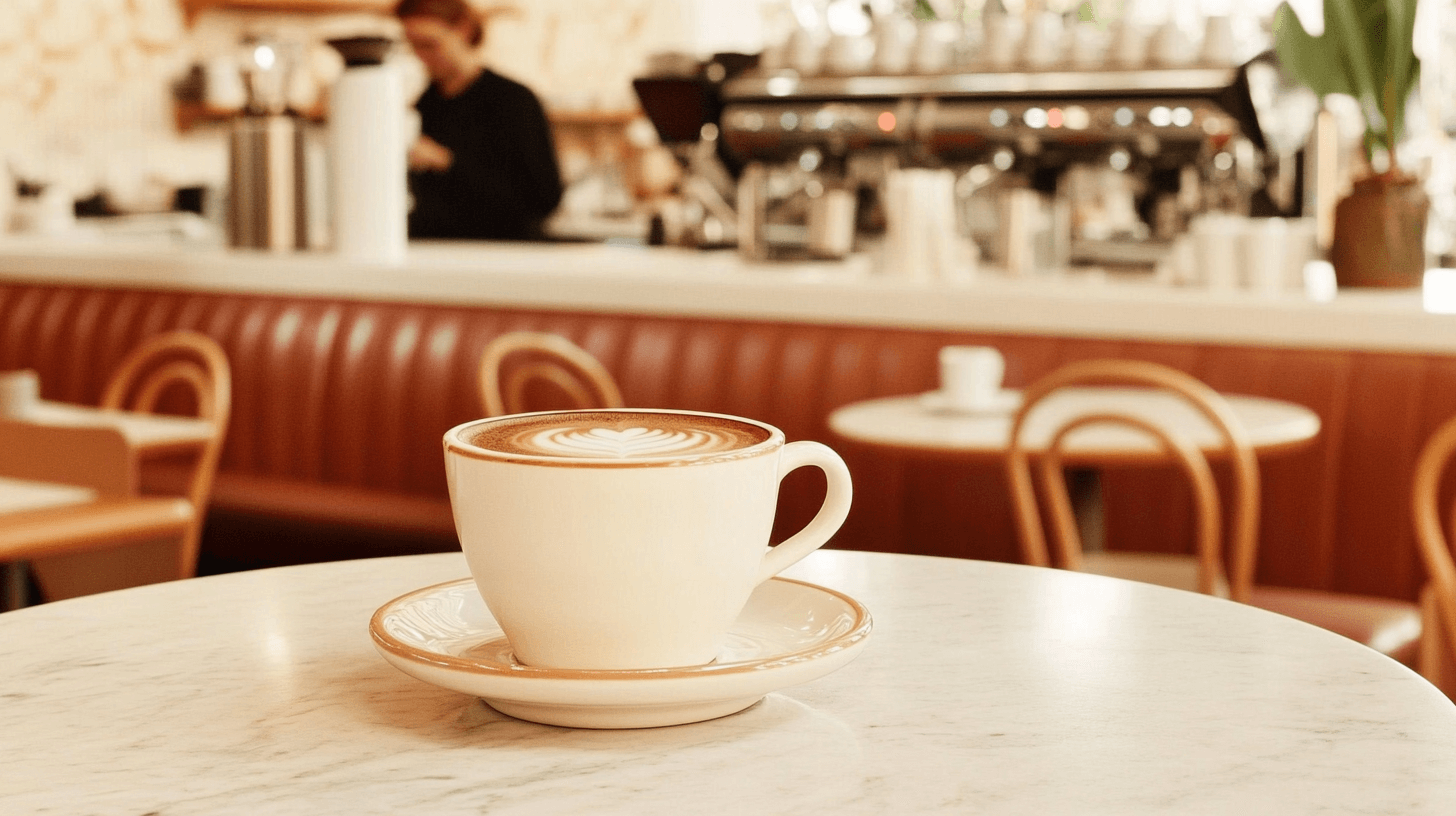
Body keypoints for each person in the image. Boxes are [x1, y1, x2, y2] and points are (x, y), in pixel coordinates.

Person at [395, 0, 564, 241]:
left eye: (429, 45)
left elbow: (543, 199)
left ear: (463, 30)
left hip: (504, 254)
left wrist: (446, 161)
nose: (421, 57)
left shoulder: (514, 101)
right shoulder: (424, 105)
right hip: (435, 253)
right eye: (413, 46)